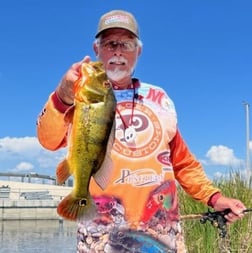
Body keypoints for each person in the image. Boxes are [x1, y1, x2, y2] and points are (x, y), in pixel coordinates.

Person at [36, 10, 246, 253]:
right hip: (101, 237)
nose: (117, 51)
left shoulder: (160, 98)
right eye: (109, 44)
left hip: (162, 236)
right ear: (96, 49)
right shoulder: (76, 96)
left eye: (126, 44)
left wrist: (214, 198)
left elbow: (183, 163)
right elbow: (48, 139)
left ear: (139, 51)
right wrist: (62, 96)